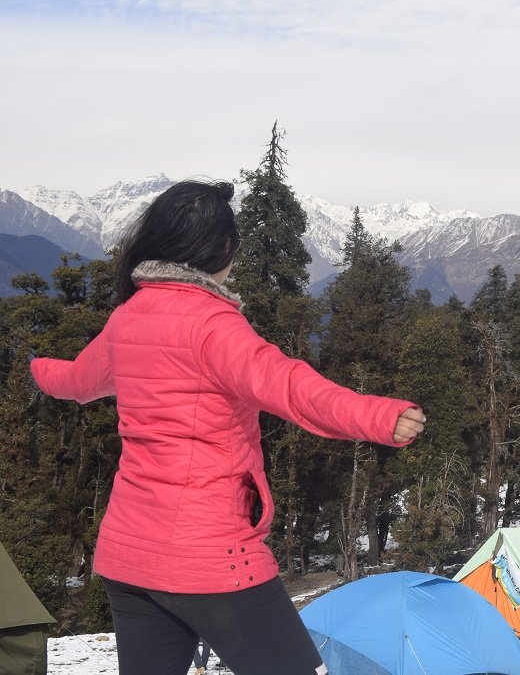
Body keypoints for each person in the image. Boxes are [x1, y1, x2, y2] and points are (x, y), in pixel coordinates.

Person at [30, 180, 425, 675]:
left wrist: (37, 366)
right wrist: (378, 416)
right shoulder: (214, 325)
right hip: (212, 555)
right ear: (222, 249)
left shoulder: (128, 319)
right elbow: (289, 385)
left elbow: (75, 381)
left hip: (128, 555)